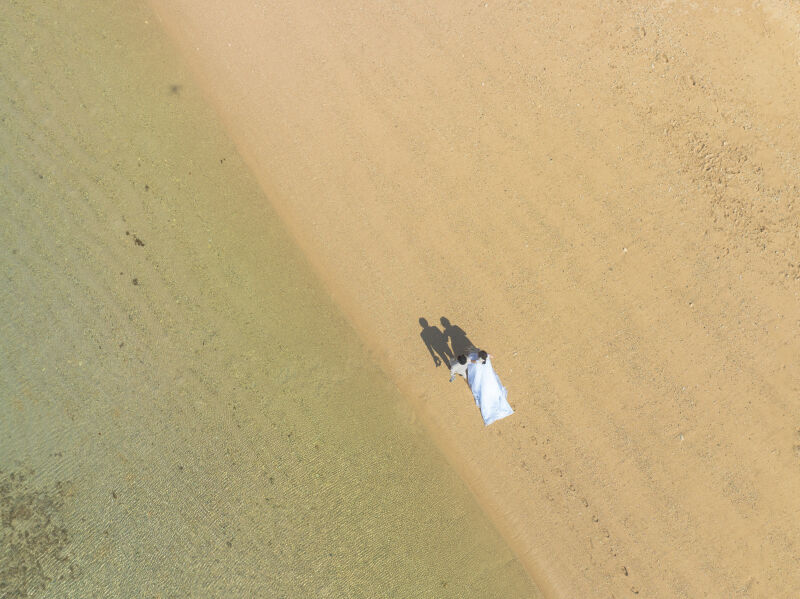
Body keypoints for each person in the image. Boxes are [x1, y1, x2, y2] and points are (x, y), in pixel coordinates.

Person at [467, 351, 513, 426]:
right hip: (488, 375)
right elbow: (492, 356)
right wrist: (487, 356)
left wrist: (469, 360)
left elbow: (471, 361)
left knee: (478, 383)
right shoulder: (486, 359)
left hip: (482, 376)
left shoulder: (478, 361)